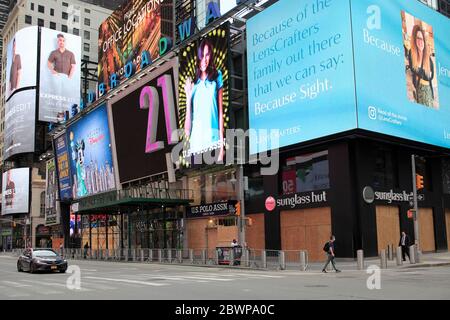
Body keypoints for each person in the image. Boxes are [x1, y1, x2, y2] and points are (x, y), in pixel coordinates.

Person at [184, 38, 224, 161]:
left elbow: (220, 113)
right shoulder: (193, 84)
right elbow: (187, 129)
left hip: (213, 142)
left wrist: (221, 147)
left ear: (210, 56)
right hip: (196, 147)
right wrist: (188, 98)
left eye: (207, 55)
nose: (204, 60)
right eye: (202, 56)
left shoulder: (217, 76)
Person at [407, 25, 435, 107]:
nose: (420, 41)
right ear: (414, 40)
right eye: (418, 38)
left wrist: (420, 71)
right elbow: (412, 69)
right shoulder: (411, 53)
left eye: (422, 39)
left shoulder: (427, 57)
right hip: (418, 88)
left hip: (428, 89)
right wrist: (423, 72)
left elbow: (430, 76)